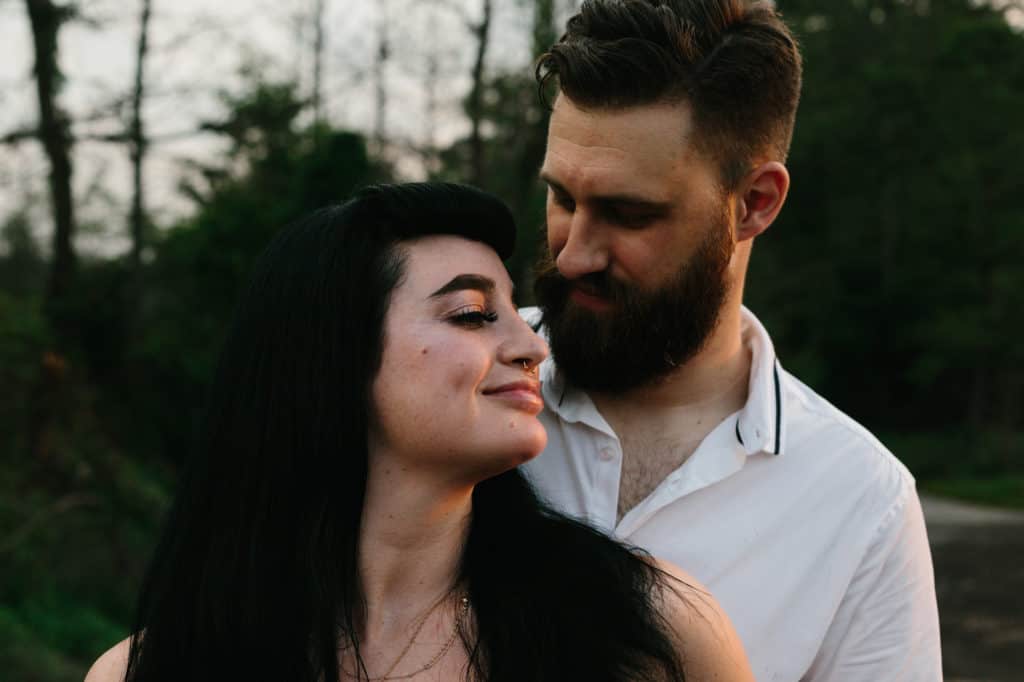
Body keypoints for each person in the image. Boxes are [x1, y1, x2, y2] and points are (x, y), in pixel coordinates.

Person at [85, 183, 752, 682]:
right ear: (334, 359)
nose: (530, 344)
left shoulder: (648, 633)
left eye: (511, 313)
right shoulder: (148, 671)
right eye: (470, 313)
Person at [521, 1, 942, 680]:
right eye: (564, 199)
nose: (574, 256)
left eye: (630, 214)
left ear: (755, 203)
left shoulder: (863, 504)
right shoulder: (445, 384)